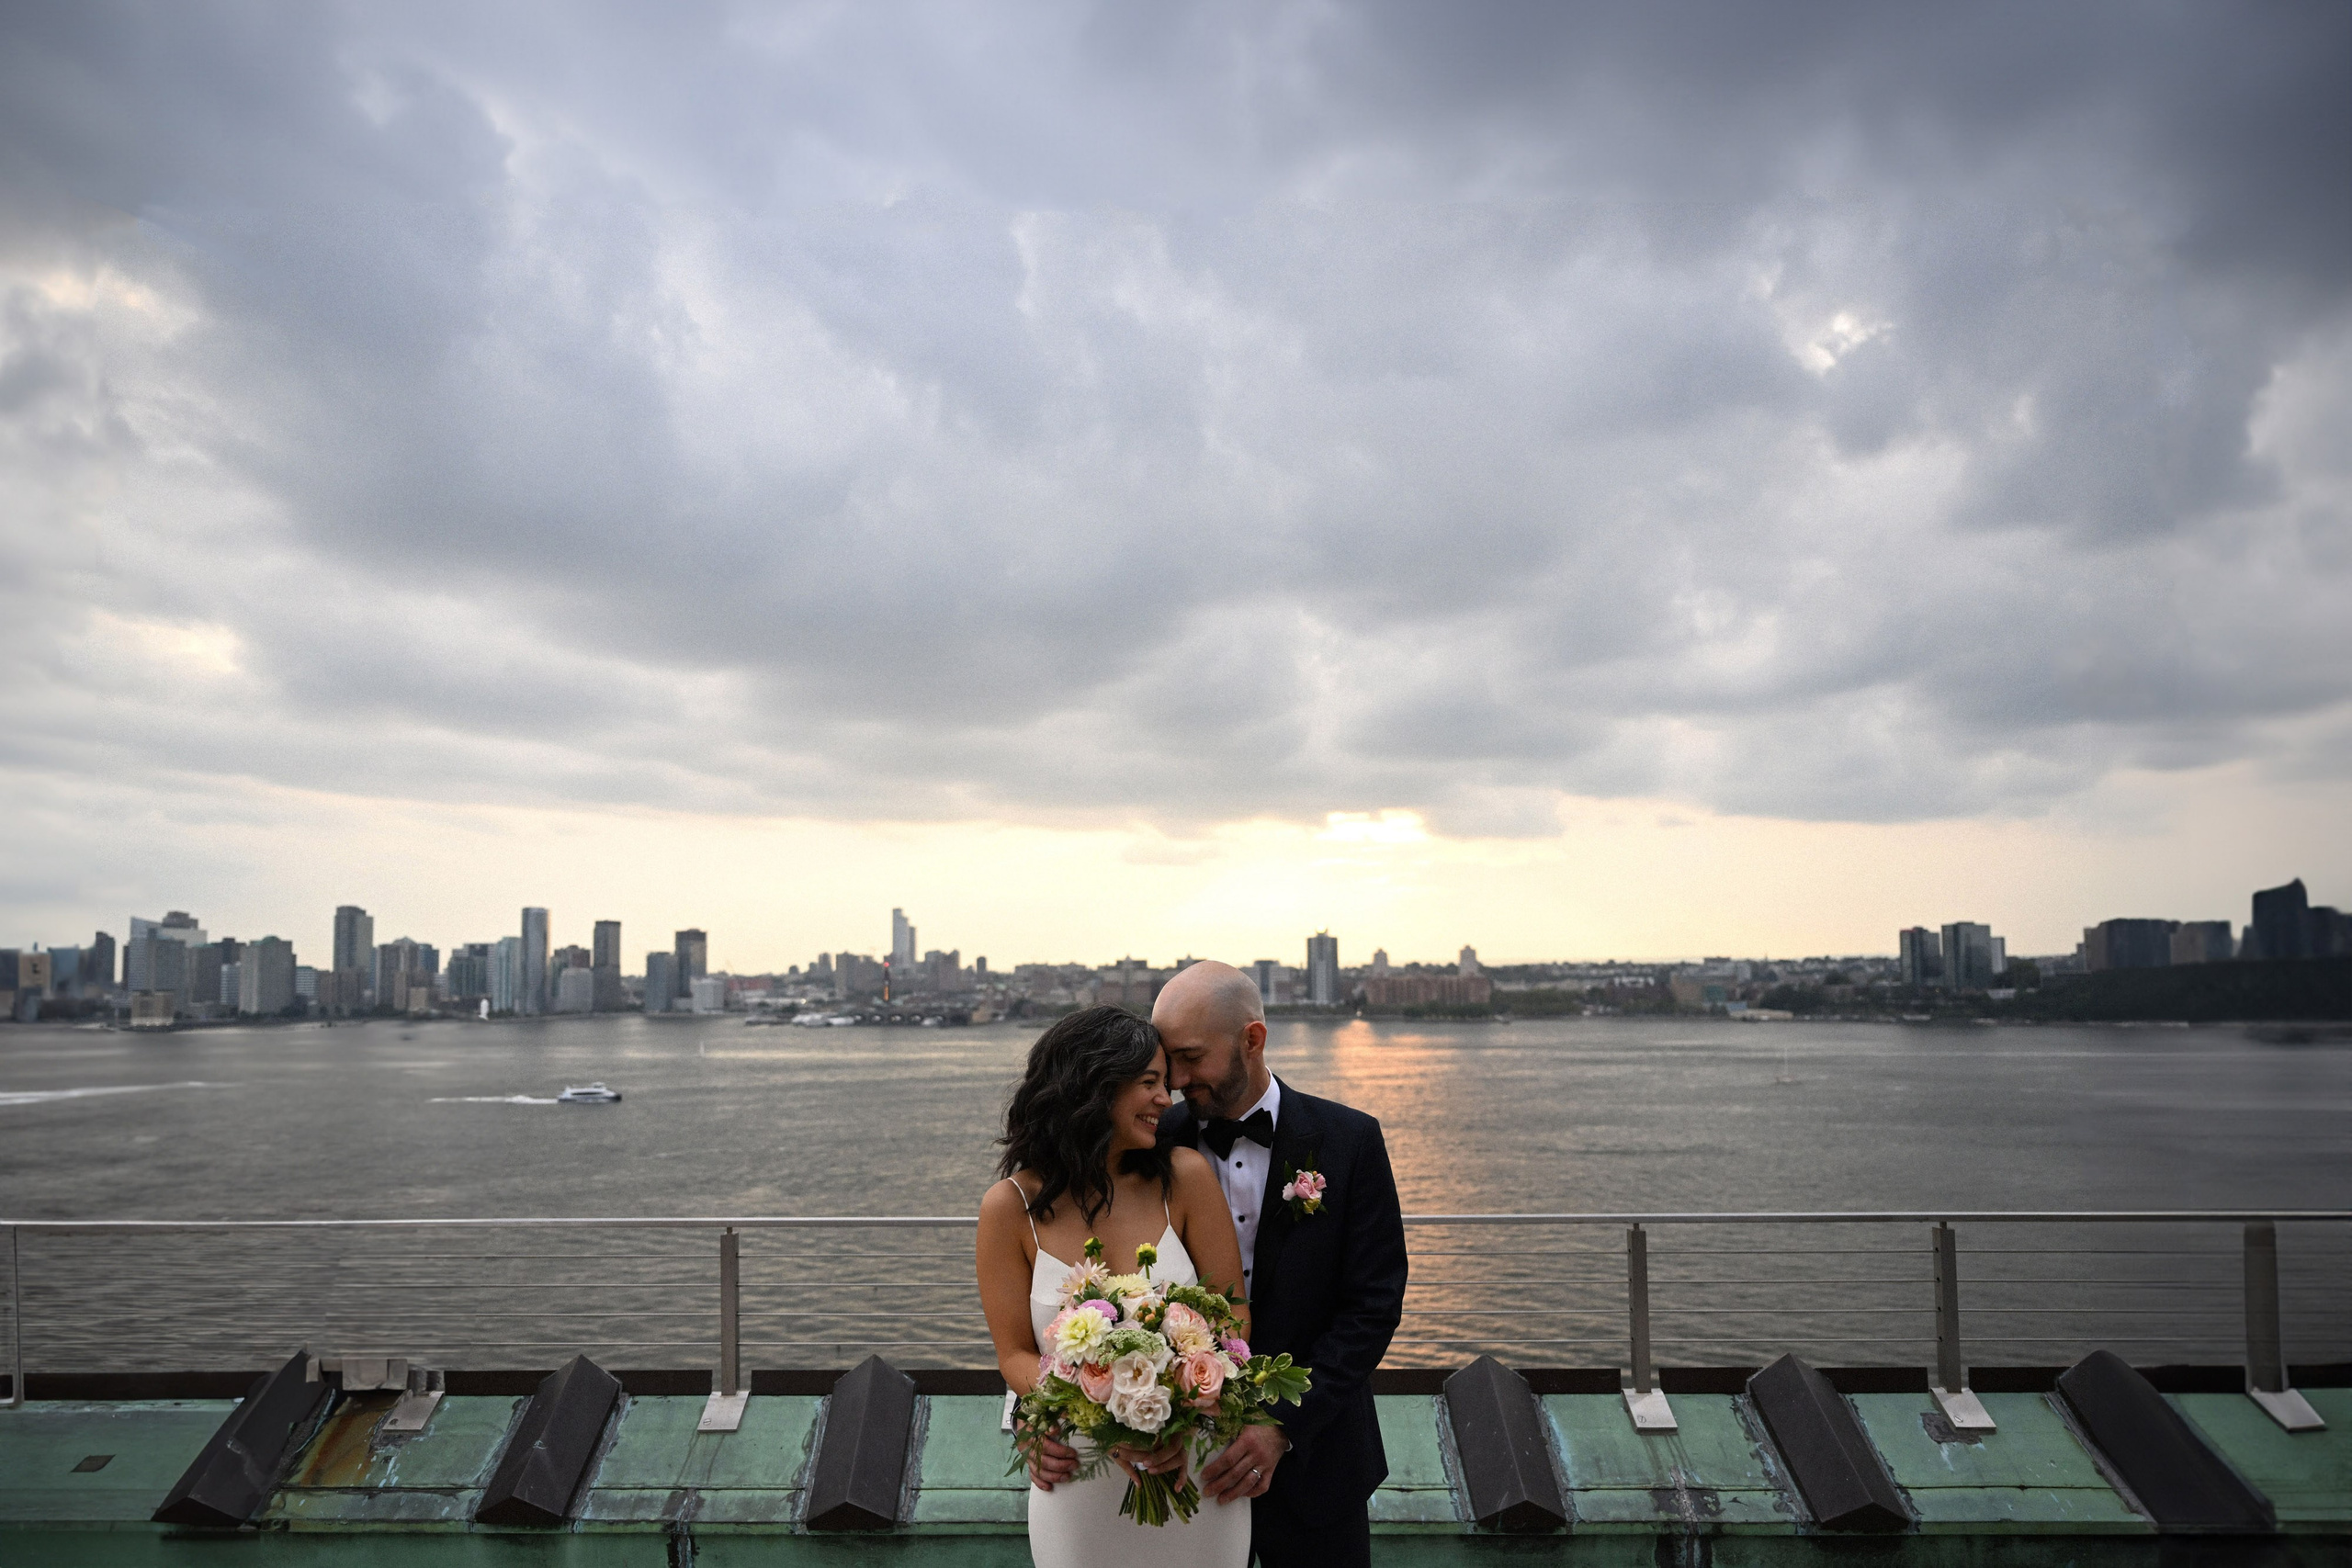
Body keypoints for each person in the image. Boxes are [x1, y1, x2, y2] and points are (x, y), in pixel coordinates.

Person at [1023, 963, 1408, 1568]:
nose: (1173, 1081)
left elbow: (1373, 1304)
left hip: (1318, 1458)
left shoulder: (1351, 1139)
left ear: (1252, 1040)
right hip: (1177, 1466)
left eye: (1190, 1057)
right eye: (1162, 1063)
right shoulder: (1146, 1139)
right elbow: (1067, 1297)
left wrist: (1281, 1425)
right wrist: (1045, 1414)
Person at [978, 1006, 1256, 1568]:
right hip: (1078, 1471)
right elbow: (1013, 1353)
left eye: (1166, 1082)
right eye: (1149, 1083)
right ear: (1092, 1086)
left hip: (1192, 1463)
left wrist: (1172, 1412)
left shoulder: (1185, 1178)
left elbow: (1233, 1316)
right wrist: (1106, 1413)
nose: (1168, 1098)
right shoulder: (1010, 1208)